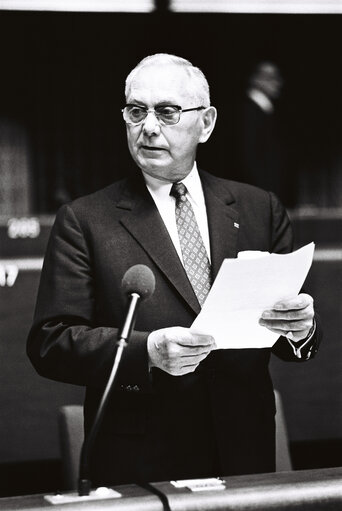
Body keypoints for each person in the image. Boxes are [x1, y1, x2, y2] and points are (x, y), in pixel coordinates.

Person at [27, 54, 321, 487]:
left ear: (206, 123)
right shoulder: (85, 219)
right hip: (140, 457)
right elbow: (50, 342)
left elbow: (291, 339)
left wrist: (301, 329)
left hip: (243, 452)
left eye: (166, 111)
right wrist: (147, 351)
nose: (148, 126)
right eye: (135, 111)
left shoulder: (260, 208)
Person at [236, 61, 295, 207]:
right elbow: (249, 157)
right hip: (258, 196)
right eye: (271, 78)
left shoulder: (265, 111)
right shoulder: (249, 112)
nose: (278, 83)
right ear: (255, 79)